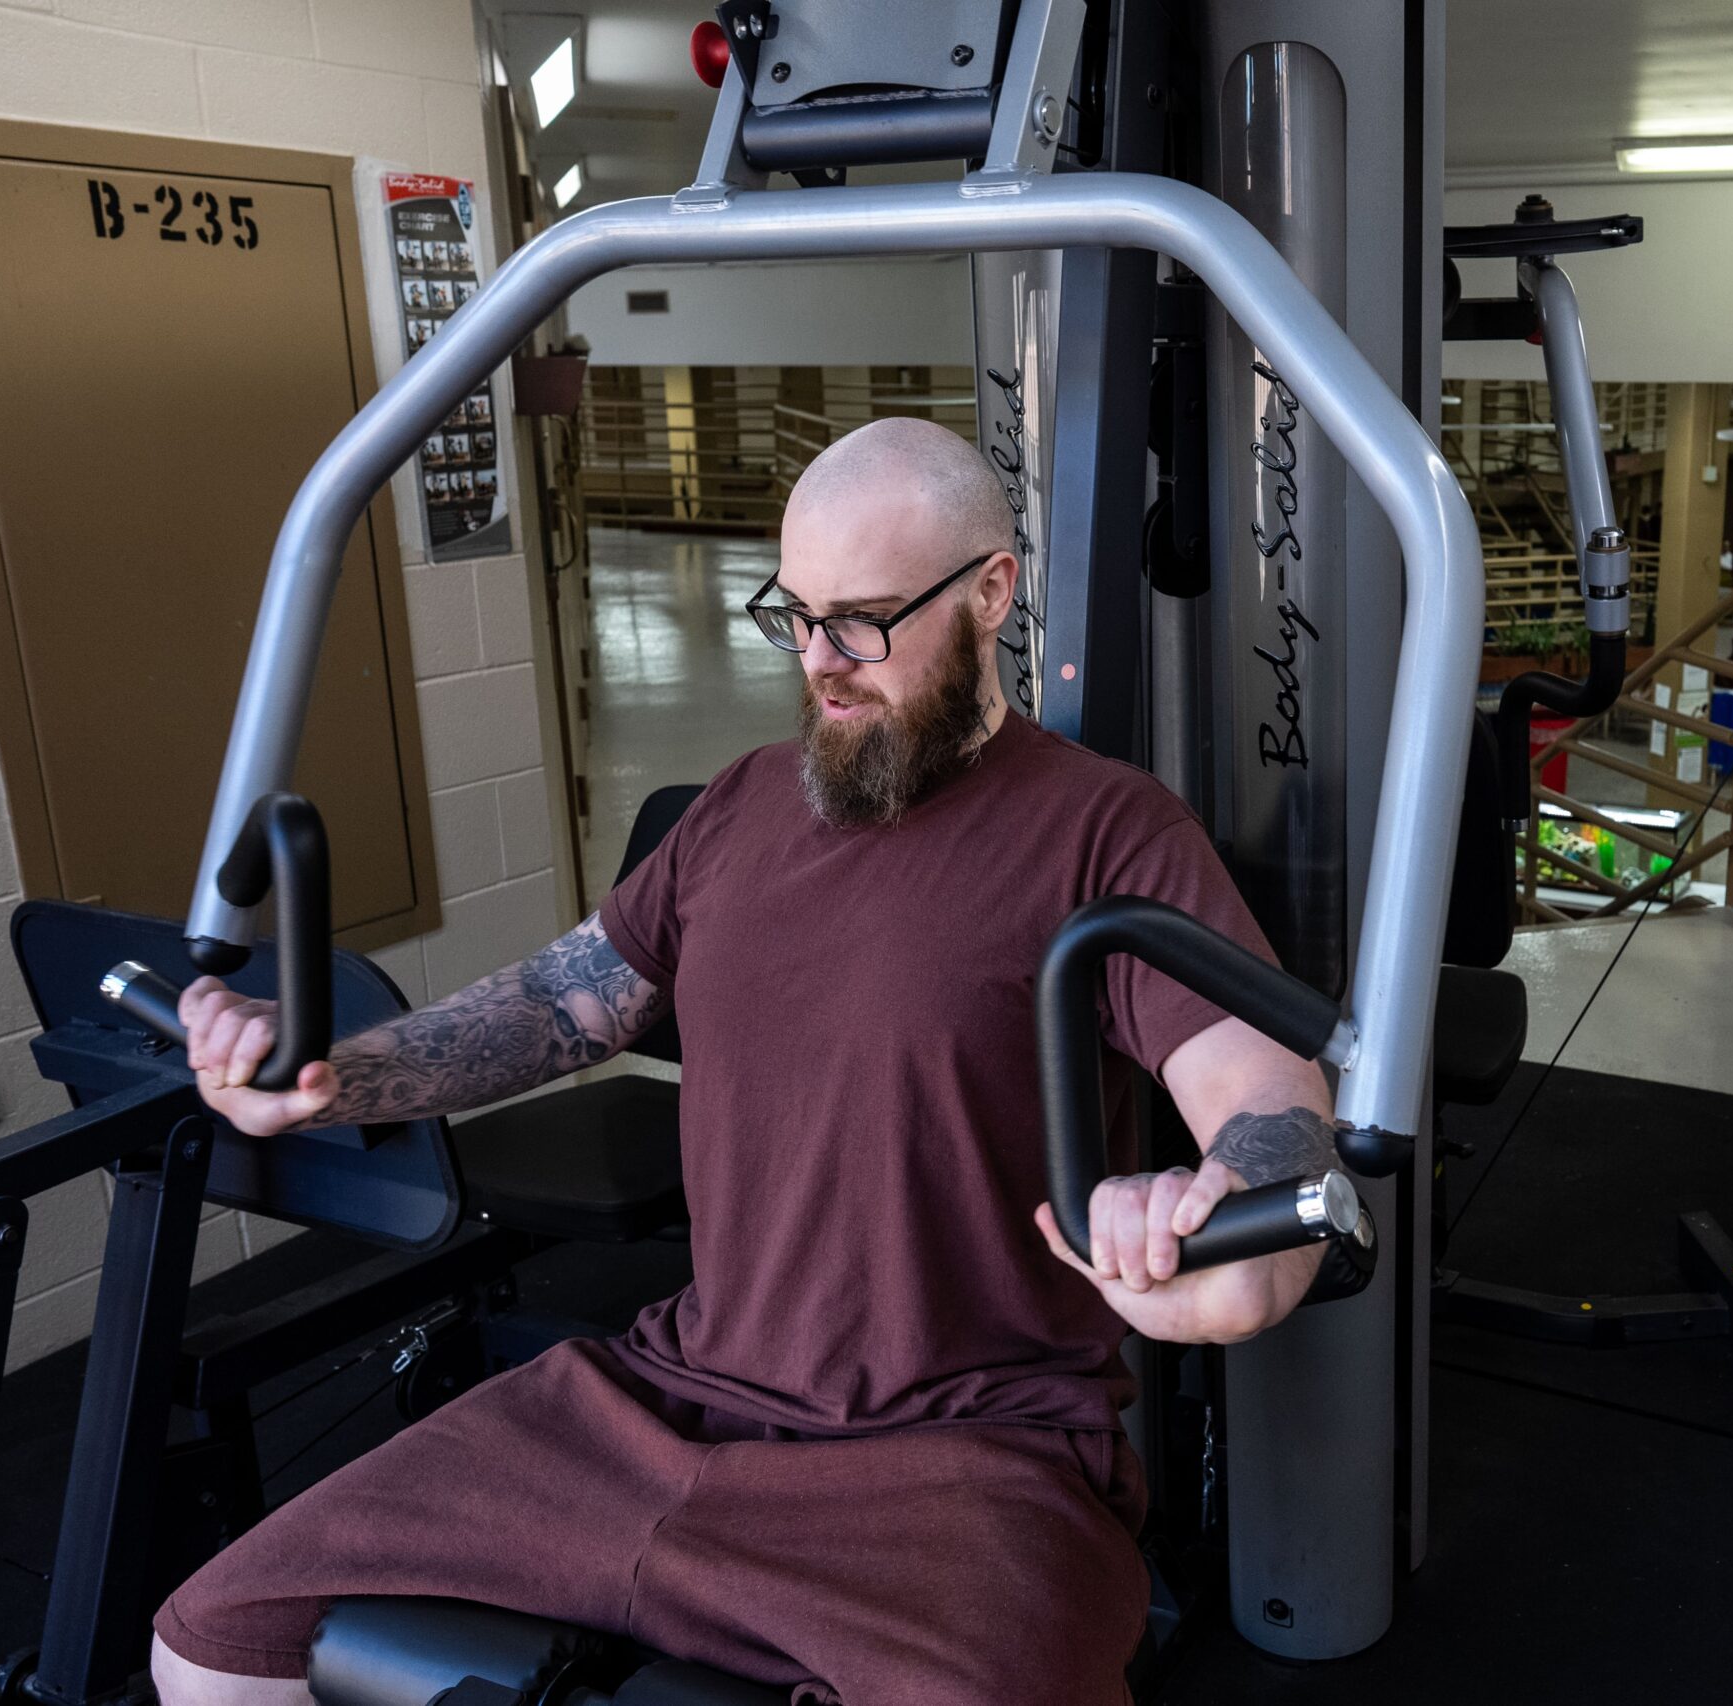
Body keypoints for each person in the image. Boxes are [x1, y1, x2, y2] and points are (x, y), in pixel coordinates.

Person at [149, 418, 1341, 1706]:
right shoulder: (739, 802)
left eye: (864, 621)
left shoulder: (1106, 829)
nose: (821, 664)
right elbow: (567, 1000)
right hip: (659, 1398)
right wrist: (337, 1065)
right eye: (796, 615)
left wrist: (1232, 1241)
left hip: (963, 1455)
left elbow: (1266, 1094)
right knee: (213, 1642)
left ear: (991, 590)